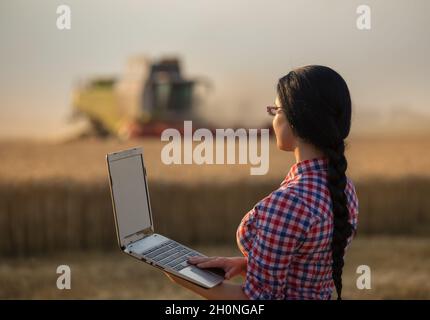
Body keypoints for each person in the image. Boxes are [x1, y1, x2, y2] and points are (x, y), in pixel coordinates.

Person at [164, 65, 359, 300]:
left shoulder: (289, 202)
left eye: (276, 110)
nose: (273, 119)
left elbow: (255, 301)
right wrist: (248, 264)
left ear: (295, 119)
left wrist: (180, 274)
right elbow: (310, 263)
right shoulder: (344, 188)